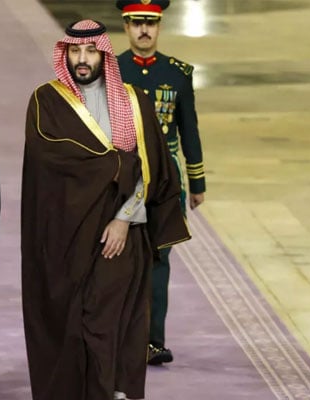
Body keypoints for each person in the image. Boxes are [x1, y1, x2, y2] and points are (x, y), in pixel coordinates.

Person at [21, 19, 190, 400]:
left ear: (103, 54)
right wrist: (117, 163)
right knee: (72, 327)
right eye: (75, 52)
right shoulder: (46, 101)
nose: (82, 60)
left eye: (90, 51)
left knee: (108, 326)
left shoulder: (133, 101)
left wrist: (122, 218)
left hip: (122, 236)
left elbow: (151, 168)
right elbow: (55, 160)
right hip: (69, 238)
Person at [116, 0, 206, 366]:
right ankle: (120, 337)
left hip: (166, 183)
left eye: (150, 23)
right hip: (122, 179)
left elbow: (189, 128)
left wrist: (197, 181)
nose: (144, 30)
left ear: (160, 26)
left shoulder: (178, 73)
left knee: (158, 259)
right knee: (118, 259)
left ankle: (153, 341)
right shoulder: (113, 71)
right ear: (125, 26)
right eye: (137, 22)